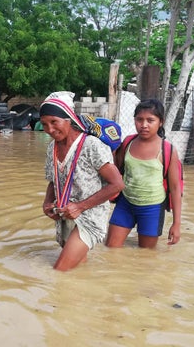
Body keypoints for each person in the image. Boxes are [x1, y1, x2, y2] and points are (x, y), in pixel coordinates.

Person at [40, 92, 124, 271]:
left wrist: (80, 206)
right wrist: (47, 202)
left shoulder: (91, 146)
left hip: (89, 217)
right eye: (44, 124)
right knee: (76, 270)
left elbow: (117, 184)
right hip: (66, 213)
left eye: (54, 122)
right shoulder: (52, 148)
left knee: (60, 271)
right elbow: (53, 180)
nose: (49, 129)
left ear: (69, 118)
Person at [105, 99, 182, 248]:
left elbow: (175, 188)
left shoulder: (168, 150)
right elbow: (115, 169)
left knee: (146, 255)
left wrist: (176, 224)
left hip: (152, 208)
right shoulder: (128, 142)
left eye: (150, 120)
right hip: (125, 203)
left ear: (161, 122)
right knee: (111, 248)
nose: (144, 125)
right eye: (139, 119)